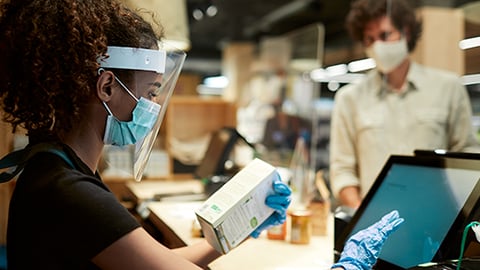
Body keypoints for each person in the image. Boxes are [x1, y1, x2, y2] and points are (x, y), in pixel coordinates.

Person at [0, 0, 402, 269]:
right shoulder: (68, 191)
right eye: (150, 92)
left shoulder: (56, 167)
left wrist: (241, 222)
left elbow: (161, 260)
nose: (153, 106)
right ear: (106, 88)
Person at [329, 0, 480, 209]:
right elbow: (342, 170)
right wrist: (362, 217)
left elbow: (468, 155)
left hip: (435, 214)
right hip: (373, 216)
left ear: (406, 32)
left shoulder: (448, 87)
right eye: (369, 39)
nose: (377, 46)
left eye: (384, 35)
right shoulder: (349, 98)